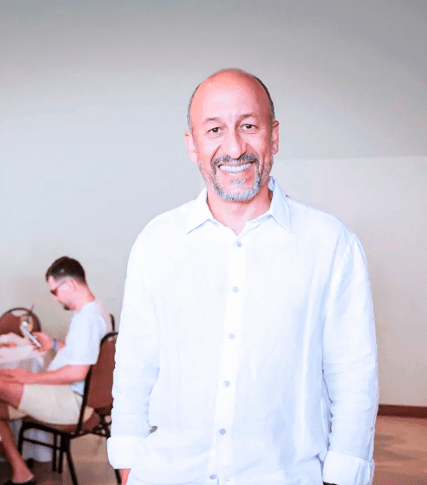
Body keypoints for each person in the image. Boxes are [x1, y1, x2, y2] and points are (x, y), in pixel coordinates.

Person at [108, 69, 378, 485]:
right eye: (214, 129)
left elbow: (353, 375)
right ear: (192, 145)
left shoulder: (331, 244)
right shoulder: (156, 242)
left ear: (274, 136)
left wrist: (344, 477)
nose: (234, 148)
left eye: (249, 126)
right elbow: (134, 366)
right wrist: (129, 467)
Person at [0, 256, 112, 485]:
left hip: (72, 403)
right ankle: (21, 471)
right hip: (71, 395)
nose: (54, 297)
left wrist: (30, 378)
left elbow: (77, 373)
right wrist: (51, 344)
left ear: (69, 284)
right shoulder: (95, 311)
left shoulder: (88, 319)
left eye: (54, 291)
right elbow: (81, 354)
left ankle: (19, 468)